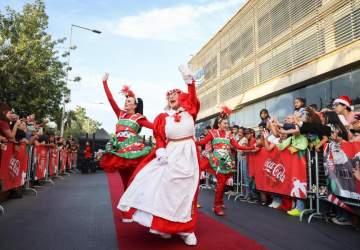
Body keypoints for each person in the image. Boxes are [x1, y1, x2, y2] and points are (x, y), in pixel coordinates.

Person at [118, 65, 200, 246]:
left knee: (188, 192)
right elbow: (159, 136)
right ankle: (165, 227)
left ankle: (187, 230)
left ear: (182, 98)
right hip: (170, 154)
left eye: (175, 94)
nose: (171, 97)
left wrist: (189, 81)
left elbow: (193, 97)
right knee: (166, 190)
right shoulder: (163, 118)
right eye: (168, 95)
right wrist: (161, 150)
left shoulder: (190, 112)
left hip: (188, 154)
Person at [196, 108, 256, 216]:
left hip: (226, 161)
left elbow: (237, 146)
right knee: (219, 184)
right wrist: (191, 140)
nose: (226, 124)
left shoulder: (229, 134)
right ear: (219, 123)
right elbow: (202, 142)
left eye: (227, 123)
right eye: (224, 123)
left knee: (222, 184)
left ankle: (219, 202)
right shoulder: (212, 133)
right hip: (216, 161)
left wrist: (251, 148)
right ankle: (216, 206)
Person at [100, 73, 153, 188]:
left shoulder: (138, 118)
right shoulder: (120, 114)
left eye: (129, 101)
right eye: (126, 101)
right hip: (120, 153)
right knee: (125, 182)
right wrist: (104, 83)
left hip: (134, 153)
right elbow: (110, 99)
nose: (126, 102)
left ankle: (134, 203)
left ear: (135, 106)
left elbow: (155, 126)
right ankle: (127, 204)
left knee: (133, 182)